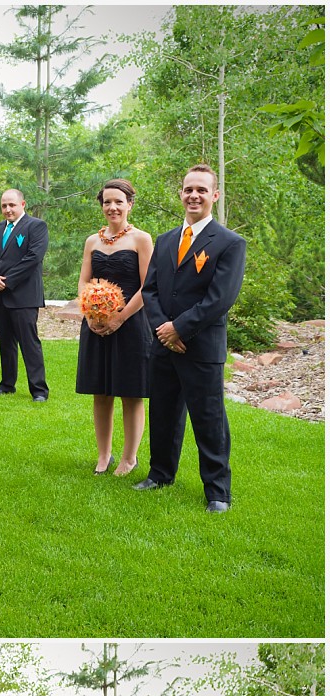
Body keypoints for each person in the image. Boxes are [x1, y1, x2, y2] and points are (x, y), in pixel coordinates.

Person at [135, 165, 247, 512]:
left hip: (200, 346)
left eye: (201, 190)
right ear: (181, 194)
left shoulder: (229, 243)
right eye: (188, 190)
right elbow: (150, 289)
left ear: (214, 195)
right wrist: (164, 330)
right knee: (163, 412)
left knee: (208, 417)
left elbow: (220, 298)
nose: (193, 196)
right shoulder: (167, 240)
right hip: (165, 344)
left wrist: (179, 328)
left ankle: (217, 491)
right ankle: (160, 474)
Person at [75, 180, 154, 475]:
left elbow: (148, 286)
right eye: (107, 202)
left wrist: (119, 317)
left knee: (130, 392)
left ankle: (129, 458)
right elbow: (84, 281)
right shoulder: (91, 241)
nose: (113, 207)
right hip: (95, 323)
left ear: (130, 204)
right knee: (100, 391)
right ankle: (103, 455)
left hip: (131, 323)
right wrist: (92, 312)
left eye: (119, 201)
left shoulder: (142, 239)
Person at [0, 188, 49, 401]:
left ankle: (39, 390)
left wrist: (7, 282)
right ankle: (7, 384)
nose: (8, 209)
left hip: (23, 297)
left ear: (23, 204)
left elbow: (33, 258)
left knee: (29, 343)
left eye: (12, 205)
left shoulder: (36, 226)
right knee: (5, 343)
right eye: (4, 206)